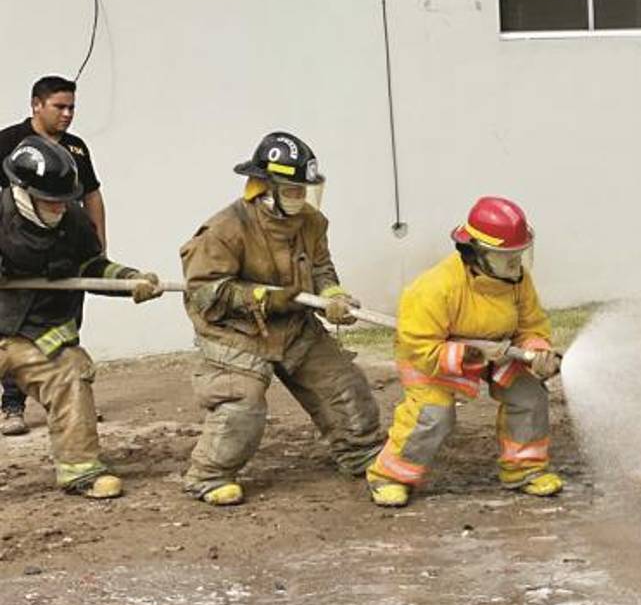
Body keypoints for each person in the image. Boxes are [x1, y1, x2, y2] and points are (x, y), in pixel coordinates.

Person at [178, 131, 384, 506]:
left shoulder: (311, 222)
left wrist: (332, 296)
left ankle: (361, 454)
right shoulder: (224, 229)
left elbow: (320, 266)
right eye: (292, 190)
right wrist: (262, 298)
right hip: (236, 333)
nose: (300, 198)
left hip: (294, 326)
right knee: (241, 404)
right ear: (266, 188)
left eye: (304, 190)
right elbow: (203, 291)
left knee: (344, 387)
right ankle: (209, 475)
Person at [366, 196, 563, 507]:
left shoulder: (517, 281)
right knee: (433, 414)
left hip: (498, 349)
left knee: (529, 395)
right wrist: (467, 355)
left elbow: (531, 325)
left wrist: (538, 351)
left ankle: (524, 470)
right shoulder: (435, 288)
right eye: (506, 256)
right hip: (433, 357)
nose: (516, 263)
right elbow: (419, 346)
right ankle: (390, 476)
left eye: (519, 254)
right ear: (477, 252)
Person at [0, 136, 162, 497]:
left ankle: (80, 469)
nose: (60, 207)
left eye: (64, 199)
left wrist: (129, 280)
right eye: (51, 200)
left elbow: (91, 265)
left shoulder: (73, 219)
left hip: (38, 334)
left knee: (71, 373)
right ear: (24, 192)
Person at [0, 76, 109, 436]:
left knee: (64, 331)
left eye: (71, 107)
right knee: (15, 333)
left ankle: (68, 402)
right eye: (59, 106)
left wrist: (98, 248)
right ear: (36, 105)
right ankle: (12, 405)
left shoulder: (76, 149)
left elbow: (91, 194)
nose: (67, 114)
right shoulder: (9, 142)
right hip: (17, 263)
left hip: (62, 256)